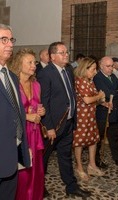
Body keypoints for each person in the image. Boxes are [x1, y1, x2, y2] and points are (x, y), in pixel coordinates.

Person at [37, 42, 91, 198]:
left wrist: (73, 118)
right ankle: (39, 187)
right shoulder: (45, 74)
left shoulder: (68, 70)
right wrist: (49, 126)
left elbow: (70, 96)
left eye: (66, 52)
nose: (66, 54)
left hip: (68, 123)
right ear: (53, 56)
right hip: (53, 125)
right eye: (62, 52)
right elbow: (44, 101)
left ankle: (71, 186)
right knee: (44, 159)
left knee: (65, 155)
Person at [0, 24, 30, 200]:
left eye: (11, 40)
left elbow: (16, 113)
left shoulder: (11, 76)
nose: (10, 44)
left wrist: (23, 146)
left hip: (12, 154)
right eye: (4, 40)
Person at [10, 48, 45, 200]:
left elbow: (37, 106)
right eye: (29, 62)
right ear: (19, 64)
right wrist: (27, 116)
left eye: (34, 62)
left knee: (36, 172)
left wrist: (41, 111)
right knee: (22, 174)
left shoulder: (37, 85)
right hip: (18, 135)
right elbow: (6, 112)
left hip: (35, 134)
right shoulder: (12, 84)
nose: (33, 65)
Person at [94, 56, 118, 167]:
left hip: (114, 111)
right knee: (99, 138)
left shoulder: (113, 76)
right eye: (108, 66)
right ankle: (96, 160)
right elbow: (106, 93)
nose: (111, 68)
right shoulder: (98, 78)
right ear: (101, 66)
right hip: (103, 112)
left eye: (112, 66)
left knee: (115, 137)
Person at [73, 57, 105, 182]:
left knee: (93, 139)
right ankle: (79, 167)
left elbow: (93, 100)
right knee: (79, 142)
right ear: (84, 69)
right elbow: (87, 100)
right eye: (93, 69)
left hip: (91, 115)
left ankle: (92, 165)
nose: (95, 72)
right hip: (81, 117)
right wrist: (100, 96)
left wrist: (102, 102)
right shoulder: (79, 81)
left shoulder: (89, 81)